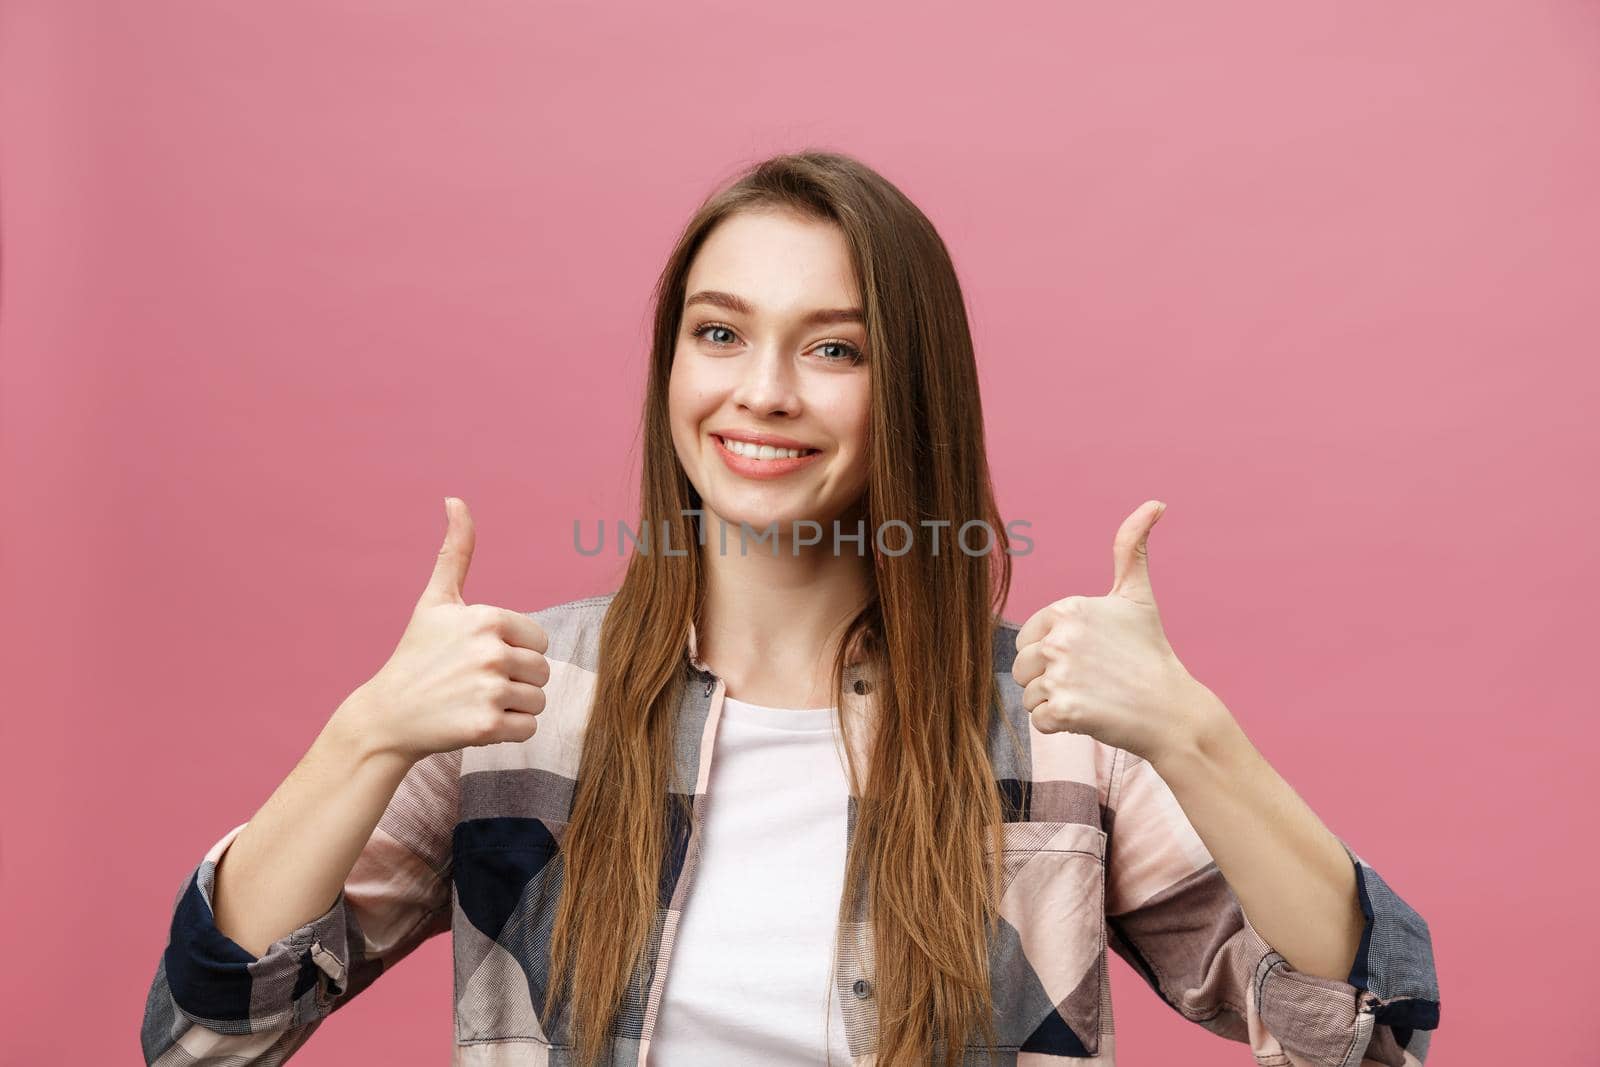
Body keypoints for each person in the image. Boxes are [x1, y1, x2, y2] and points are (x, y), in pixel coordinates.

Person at [140, 151, 1441, 1067]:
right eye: (719, 333)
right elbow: (208, 1037)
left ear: (908, 392)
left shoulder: (1057, 729)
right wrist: (366, 734)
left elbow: (1366, 1041)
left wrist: (1195, 739)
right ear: (671, 366)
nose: (761, 390)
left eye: (833, 347)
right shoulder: (516, 705)